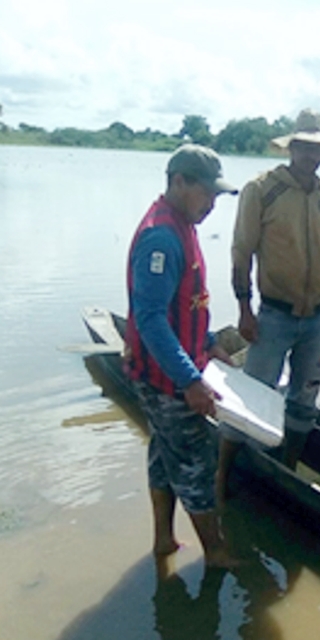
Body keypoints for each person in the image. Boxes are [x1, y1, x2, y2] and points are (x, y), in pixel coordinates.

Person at [124, 143, 238, 567]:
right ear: (178, 182)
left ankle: (163, 541)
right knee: (195, 461)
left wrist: (208, 343)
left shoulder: (182, 223)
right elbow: (151, 318)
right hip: (164, 377)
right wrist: (190, 381)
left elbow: (187, 302)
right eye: (206, 193)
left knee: (163, 455)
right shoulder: (160, 237)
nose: (211, 204)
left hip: (167, 370)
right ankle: (218, 555)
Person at [226, 109, 320, 470]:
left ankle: (288, 468)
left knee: (306, 398)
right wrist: (244, 309)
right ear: (292, 147)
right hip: (274, 314)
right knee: (252, 394)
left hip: (319, 316)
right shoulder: (263, 190)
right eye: (305, 148)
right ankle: (226, 472)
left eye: (318, 151)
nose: (311, 157)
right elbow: (242, 251)